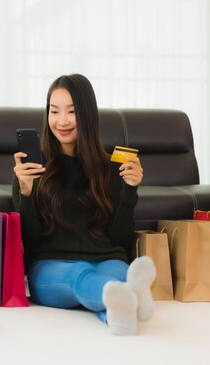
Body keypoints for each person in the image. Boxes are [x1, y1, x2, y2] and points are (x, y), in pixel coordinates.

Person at [12, 74, 156, 336]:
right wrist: (26, 193)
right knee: (81, 275)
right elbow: (29, 242)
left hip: (106, 259)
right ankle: (133, 297)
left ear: (87, 115)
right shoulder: (31, 169)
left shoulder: (112, 166)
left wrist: (130, 191)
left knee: (118, 274)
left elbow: (119, 239)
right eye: (54, 111)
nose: (62, 121)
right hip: (51, 266)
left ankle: (120, 315)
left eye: (72, 111)